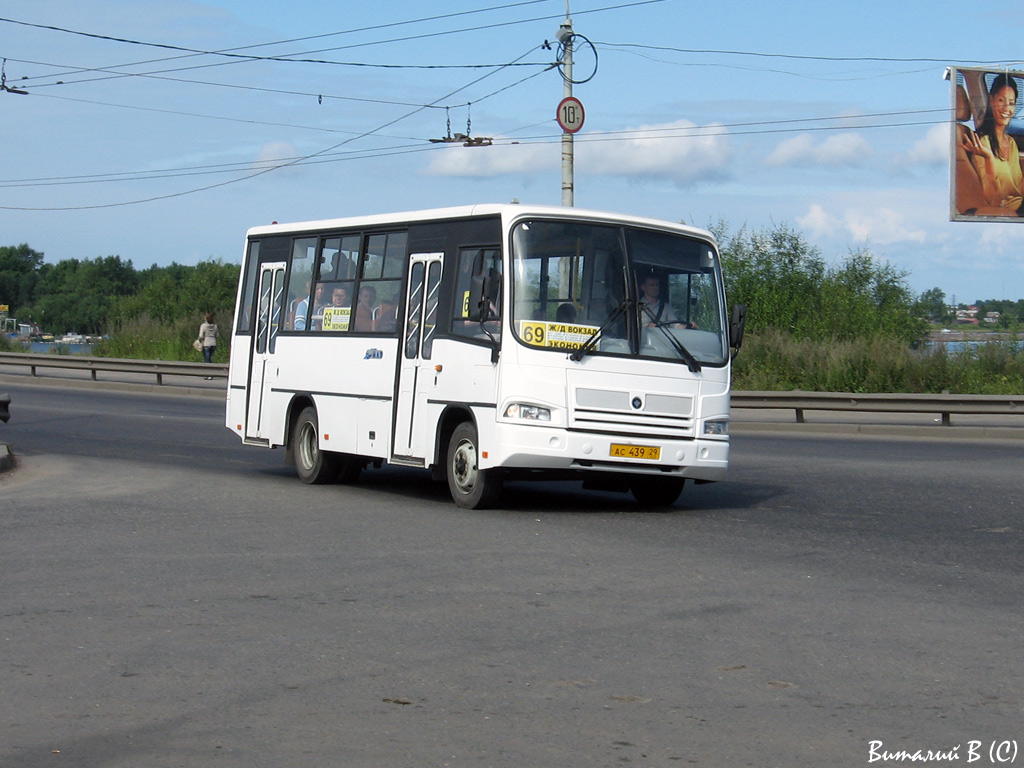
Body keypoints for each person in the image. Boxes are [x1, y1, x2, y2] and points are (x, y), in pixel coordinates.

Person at [962, 74, 1024, 215]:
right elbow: (994, 200)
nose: (1006, 109)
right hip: (1012, 210)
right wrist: (989, 157)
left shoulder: (1011, 142)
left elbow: (1017, 188)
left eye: (1011, 103)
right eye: (1001, 100)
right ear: (991, 100)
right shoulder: (982, 143)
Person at [197, 313, 219, 377]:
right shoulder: (215, 326)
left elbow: (201, 335)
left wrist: (198, 340)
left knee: (207, 359)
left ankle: (208, 374)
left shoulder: (203, 326)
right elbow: (217, 335)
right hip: (213, 343)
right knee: (209, 358)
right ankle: (210, 373)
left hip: (206, 343)